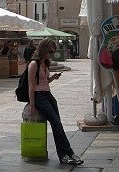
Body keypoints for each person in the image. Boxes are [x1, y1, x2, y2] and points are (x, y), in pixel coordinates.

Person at [27, 38, 83, 166]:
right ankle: (69, 152)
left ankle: (63, 155)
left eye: (52, 52)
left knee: (57, 125)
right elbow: (31, 85)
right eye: (50, 52)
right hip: (39, 96)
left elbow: (45, 81)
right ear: (44, 49)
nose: (51, 54)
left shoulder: (45, 63)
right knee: (56, 123)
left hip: (48, 95)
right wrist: (32, 104)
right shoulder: (33, 64)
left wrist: (53, 77)